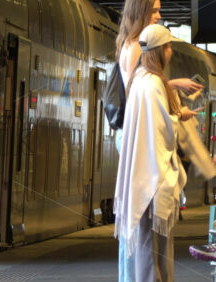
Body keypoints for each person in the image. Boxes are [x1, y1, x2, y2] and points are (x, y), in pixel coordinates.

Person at [114, 24, 187, 282]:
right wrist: (179, 117)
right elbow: (162, 132)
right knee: (155, 256)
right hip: (153, 185)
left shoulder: (139, 79)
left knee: (147, 255)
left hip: (140, 180)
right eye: (168, 48)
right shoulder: (154, 83)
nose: (171, 53)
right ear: (158, 51)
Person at [115, 0, 203, 153]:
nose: (159, 16)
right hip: (136, 133)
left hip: (135, 131)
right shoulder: (137, 46)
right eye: (154, 11)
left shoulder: (132, 43)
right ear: (141, 12)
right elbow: (138, 92)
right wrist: (176, 84)